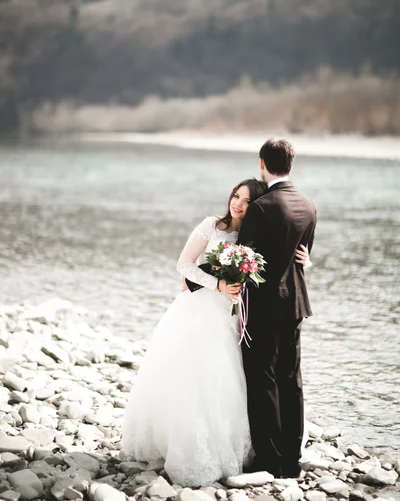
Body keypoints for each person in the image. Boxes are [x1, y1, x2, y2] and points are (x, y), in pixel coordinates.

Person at [122, 178, 311, 487]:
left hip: (232, 316)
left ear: (257, 206)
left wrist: (307, 261)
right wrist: (218, 284)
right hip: (199, 312)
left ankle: (236, 446)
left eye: (247, 200)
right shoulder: (211, 226)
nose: (237, 203)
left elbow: (277, 265)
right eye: (236, 196)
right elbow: (184, 265)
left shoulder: (252, 237)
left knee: (230, 379)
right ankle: (185, 445)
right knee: (195, 376)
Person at [238, 139, 317, 479]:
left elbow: (242, 259)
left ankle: (269, 459)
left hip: (264, 306)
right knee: (292, 378)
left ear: (262, 164)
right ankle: (292, 458)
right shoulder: (309, 206)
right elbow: (302, 258)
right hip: (296, 303)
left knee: (262, 379)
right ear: (291, 164)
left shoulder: (263, 206)